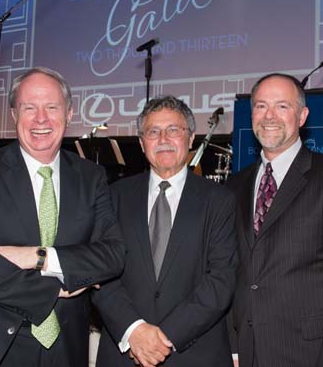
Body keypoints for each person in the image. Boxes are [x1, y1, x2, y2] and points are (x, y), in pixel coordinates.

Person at [0, 67, 125, 367]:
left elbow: (113, 254)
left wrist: (39, 257)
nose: (41, 119)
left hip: (65, 345)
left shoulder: (92, 178)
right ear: (14, 114)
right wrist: (59, 284)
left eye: (51, 107)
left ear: (69, 113)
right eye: (30, 108)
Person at [226, 73, 323, 367]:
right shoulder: (235, 186)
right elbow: (230, 272)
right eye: (260, 106)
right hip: (245, 354)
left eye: (282, 106)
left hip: (310, 355)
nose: (269, 116)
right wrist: (233, 347)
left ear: (302, 116)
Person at [91, 95, 238, 367]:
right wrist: (133, 330)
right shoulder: (112, 197)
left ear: (191, 138)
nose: (163, 139)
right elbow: (100, 273)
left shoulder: (220, 200)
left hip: (195, 354)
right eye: (153, 131)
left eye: (173, 130)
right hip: (125, 352)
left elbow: (221, 280)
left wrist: (164, 338)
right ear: (141, 142)